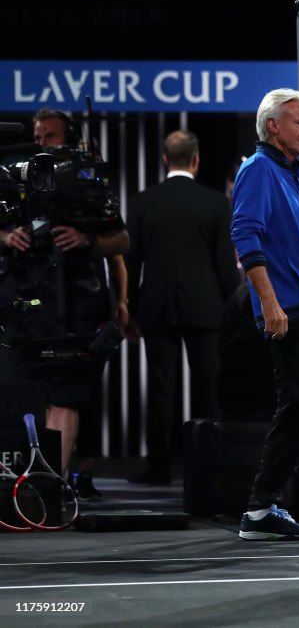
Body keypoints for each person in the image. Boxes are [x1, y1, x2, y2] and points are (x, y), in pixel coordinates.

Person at [0, 109, 130, 499]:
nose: (43, 144)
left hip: (76, 306)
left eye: (51, 137)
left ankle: (51, 491)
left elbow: (121, 241)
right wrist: (8, 238)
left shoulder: (87, 183)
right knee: (22, 392)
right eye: (39, 137)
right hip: (22, 305)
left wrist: (87, 241)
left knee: (67, 395)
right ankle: (22, 488)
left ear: (69, 139)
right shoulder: (11, 178)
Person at [232, 88, 299, 540]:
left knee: (295, 412)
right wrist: (270, 304)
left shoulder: (294, 174)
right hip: (292, 311)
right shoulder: (257, 171)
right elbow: (245, 236)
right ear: (273, 126)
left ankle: (260, 508)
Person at [125, 130, 240, 484]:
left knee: (161, 390)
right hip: (206, 310)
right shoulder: (216, 204)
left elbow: (131, 261)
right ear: (195, 159)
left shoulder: (143, 201)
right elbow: (225, 265)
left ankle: (159, 468)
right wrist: (234, 309)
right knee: (209, 389)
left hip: (156, 308)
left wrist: (126, 305)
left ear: (165, 159)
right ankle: (210, 470)